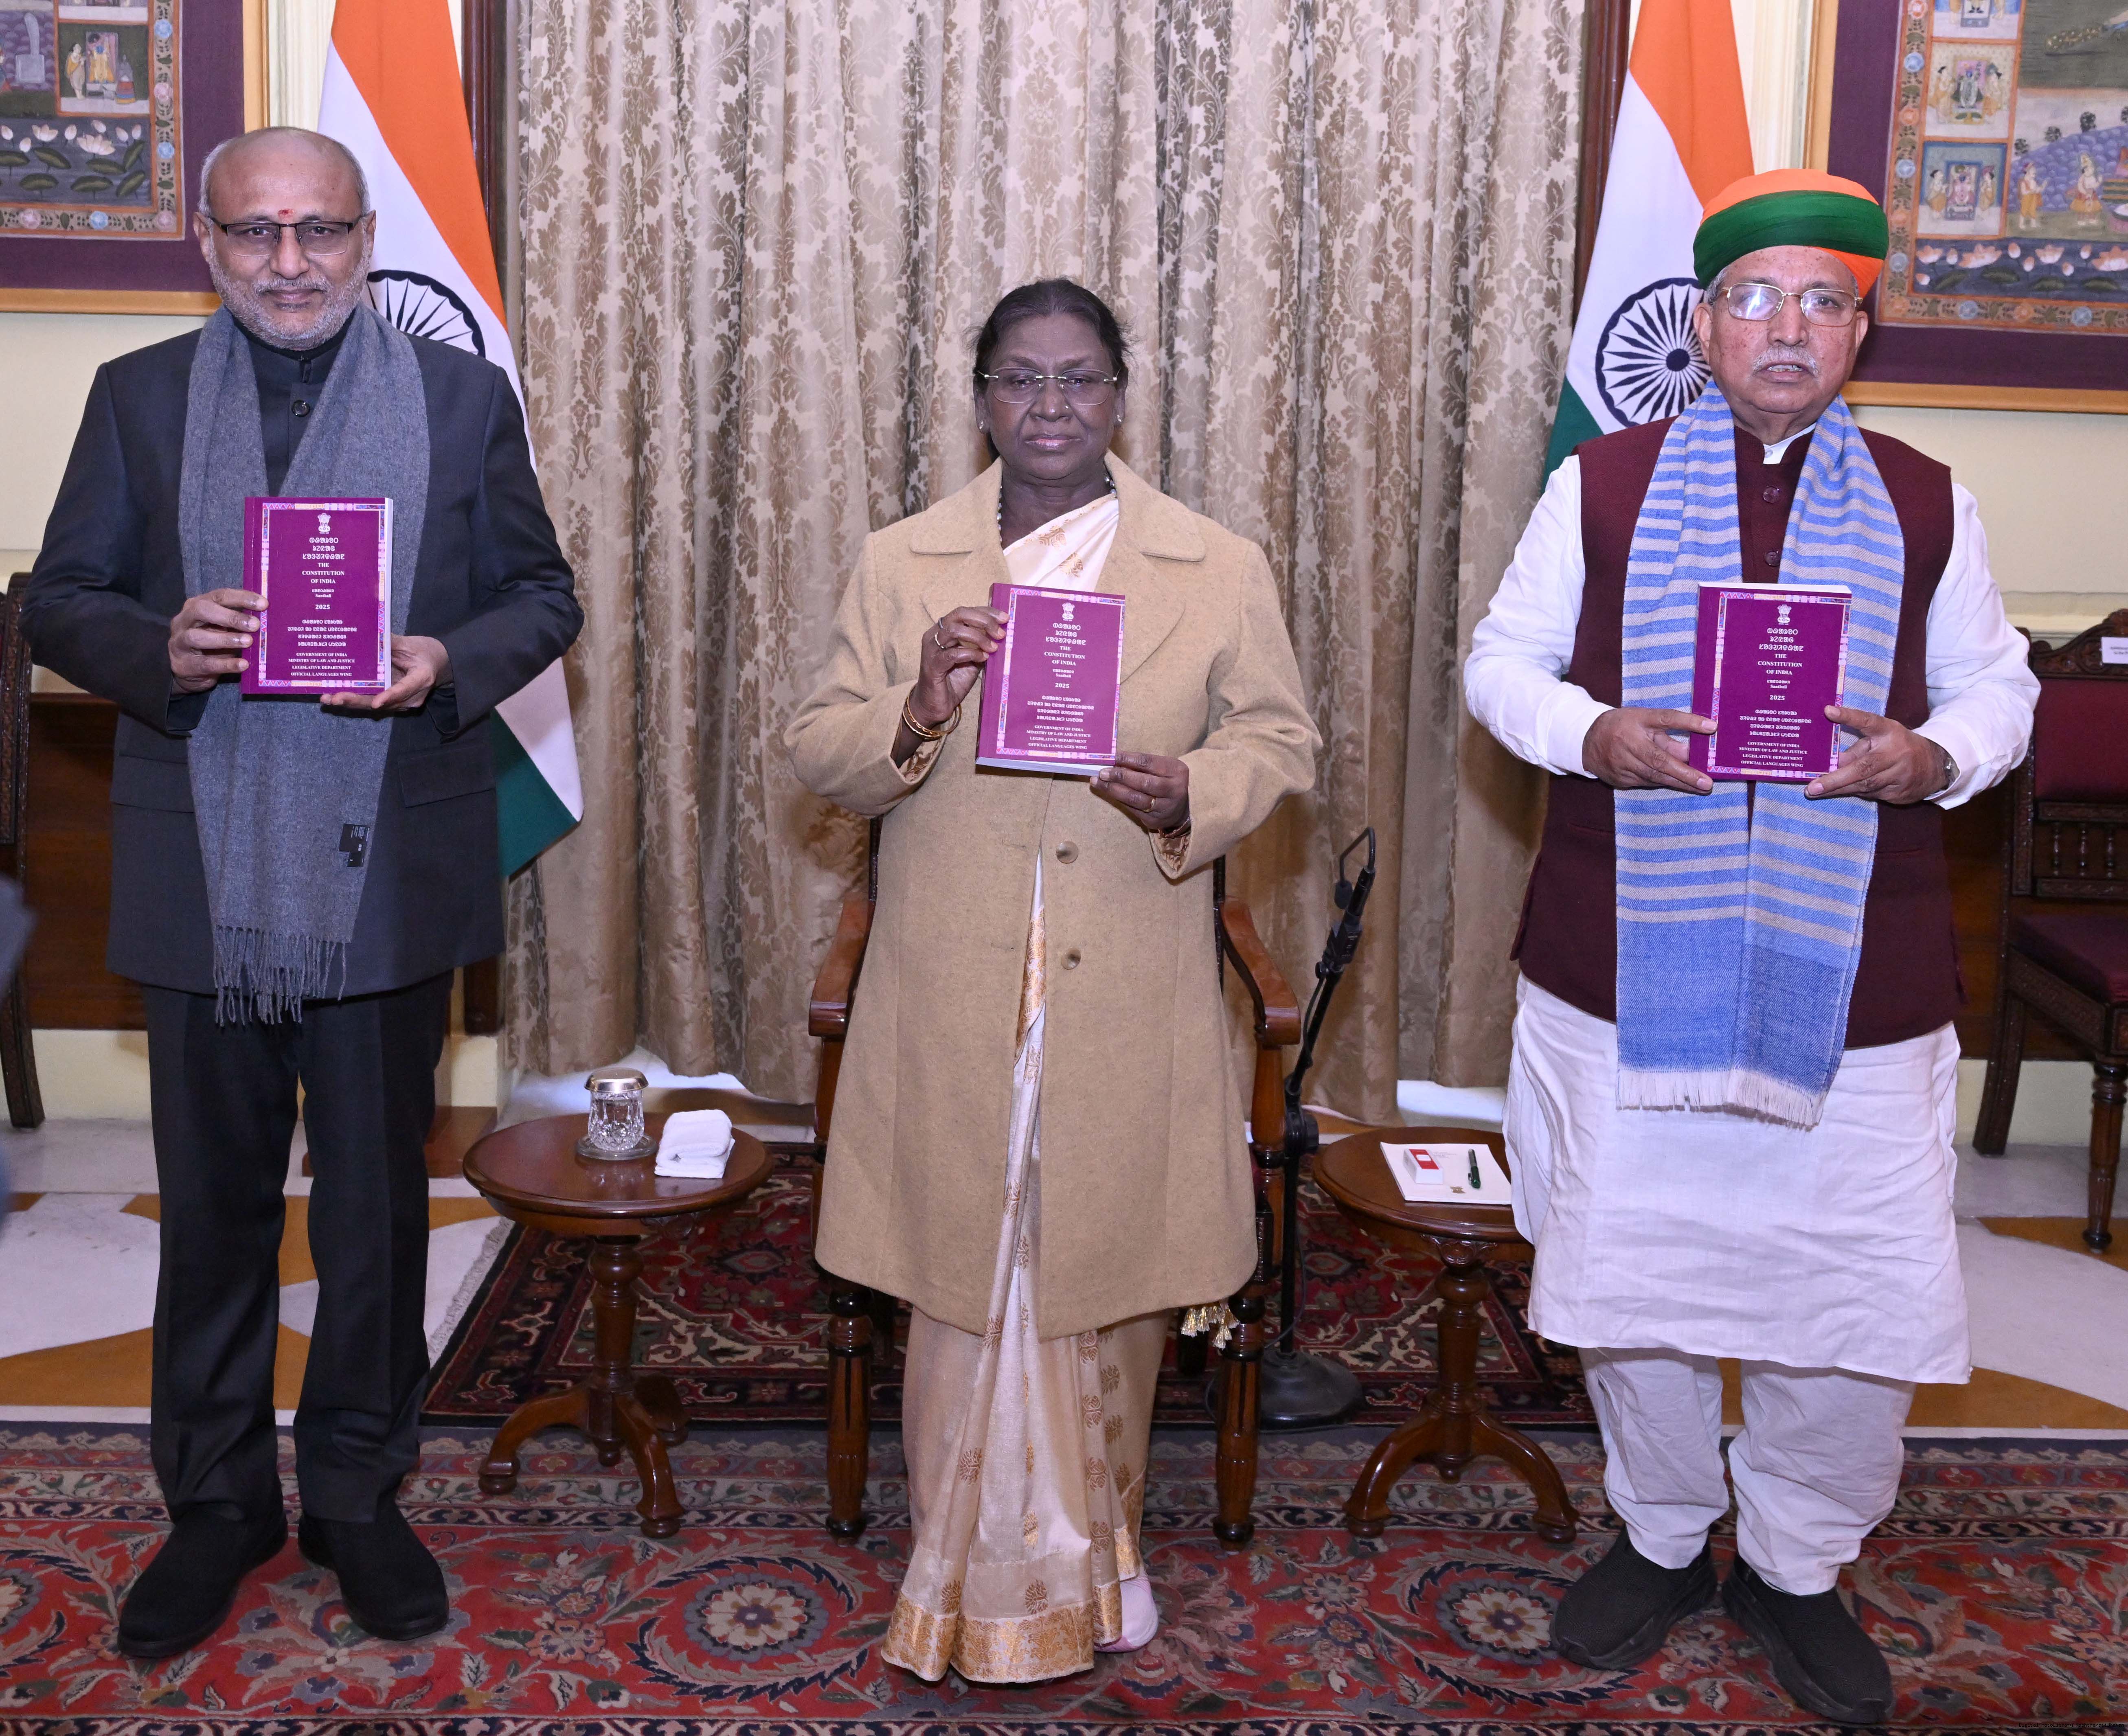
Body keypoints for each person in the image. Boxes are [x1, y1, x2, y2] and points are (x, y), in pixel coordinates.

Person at [1464, 169, 2037, 1725]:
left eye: (1821, 301)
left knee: (1843, 1298)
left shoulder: (1925, 499)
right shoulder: (1599, 485)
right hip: (1621, 960)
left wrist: (1930, 756)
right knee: (1633, 1279)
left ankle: (1794, 1562)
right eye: (1755, 298)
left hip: (1855, 979)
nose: (1786, 327)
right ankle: (1659, 1533)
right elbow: (1501, 665)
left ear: (1859, 329)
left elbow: (1997, 687)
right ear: (1706, 321)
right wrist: (1594, 733)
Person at [23, 127, 581, 1658]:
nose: (290, 262)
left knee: (376, 1211)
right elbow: (59, 601)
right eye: (257, 232)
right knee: (211, 1213)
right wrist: (159, 644)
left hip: (386, 862)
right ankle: (216, 1505)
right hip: (202, 869)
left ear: (363, 237)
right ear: (208, 244)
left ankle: (354, 1494)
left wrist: (445, 659)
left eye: (319, 230)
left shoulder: (462, 402)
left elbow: (542, 596)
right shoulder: (136, 397)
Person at [786, 278, 1316, 1683]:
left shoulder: (1216, 564)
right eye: (1020, 380)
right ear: (981, 403)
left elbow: (1279, 742)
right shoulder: (903, 562)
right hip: (952, 984)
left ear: (1120, 398)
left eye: (1078, 379)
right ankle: (958, 1567)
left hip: (1127, 979)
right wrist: (916, 704)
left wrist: (1190, 789)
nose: (1051, 406)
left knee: (1103, 1270)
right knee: (962, 1267)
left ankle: (1101, 1552)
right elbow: (818, 747)